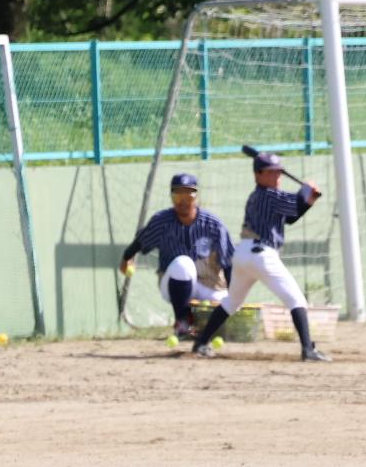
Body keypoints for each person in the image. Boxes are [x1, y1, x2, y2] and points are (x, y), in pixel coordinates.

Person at [189, 151, 329, 361]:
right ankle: (308, 350)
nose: (277, 176)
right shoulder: (270, 195)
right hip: (261, 256)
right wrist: (307, 192)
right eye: (271, 172)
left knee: (232, 302)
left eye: (278, 172)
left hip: (243, 254)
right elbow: (295, 204)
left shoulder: (257, 196)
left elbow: (291, 217)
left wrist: (307, 199)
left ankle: (200, 343)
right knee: (297, 299)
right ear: (258, 174)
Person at [120, 173, 234, 339]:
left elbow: (228, 262)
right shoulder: (161, 221)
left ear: (197, 196)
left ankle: (202, 330)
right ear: (171, 197)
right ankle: (183, 322)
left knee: (225, 311)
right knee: (183, 263)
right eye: (178, 195)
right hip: (173, 283)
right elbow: (139, 242)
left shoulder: (213, 224)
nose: (183, 201)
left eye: (188, 195)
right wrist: (126, 257)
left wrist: (233, 296)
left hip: (209, 284)